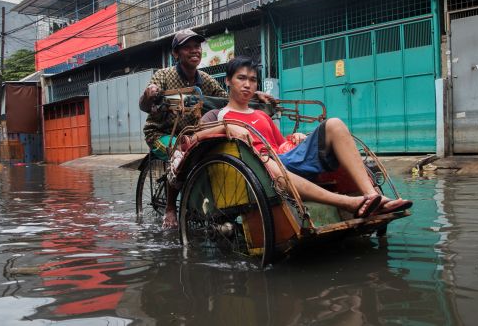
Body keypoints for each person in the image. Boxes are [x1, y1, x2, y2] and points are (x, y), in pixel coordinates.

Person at [195, 56, 412, 217]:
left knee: (334, 124)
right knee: (270, 164)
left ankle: (372, 195)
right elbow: (196, 138)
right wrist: (226, 128)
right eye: (241, 78)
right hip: (259, 169)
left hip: (282, 160)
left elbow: (280, 145)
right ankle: (348, 203)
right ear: (228, 81)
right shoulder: (220, 115)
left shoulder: (262, 114)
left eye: (252, 80)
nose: (247, 84)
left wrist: (296, 138)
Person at [139, 29, 271, 229]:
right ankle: (170, 208)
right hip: (162, 133)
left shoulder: (205, 80)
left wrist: (254, 94)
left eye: (197, 47)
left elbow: (227, 100)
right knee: (179, 151)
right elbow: (144, 104)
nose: (194, 51)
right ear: (176, 54)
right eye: (188, 47)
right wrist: (149, 94)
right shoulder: (163, 76)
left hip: (193, 133)